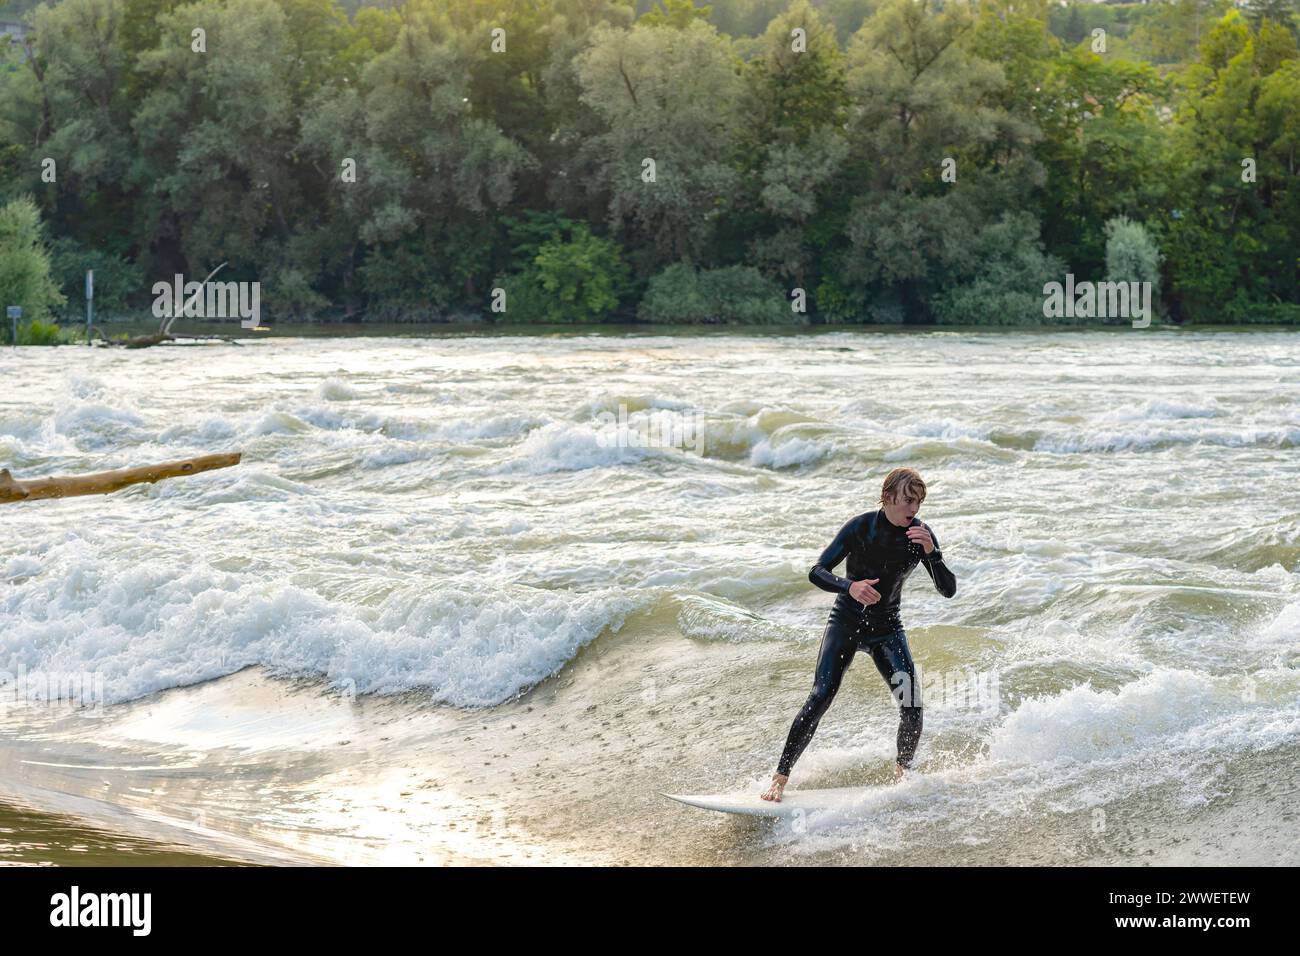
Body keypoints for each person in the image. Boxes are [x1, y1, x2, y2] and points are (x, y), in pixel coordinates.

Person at [762, 467, 957, 802]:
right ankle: (780, 778)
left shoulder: (921, 536)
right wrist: (849, 587)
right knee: (821, 695)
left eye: (919, 502)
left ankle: (903, 776)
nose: (914, 509)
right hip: (847, 623)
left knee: (911, 704)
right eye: (908, 501)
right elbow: (817, 571)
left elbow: (948, 590)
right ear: (887, 498)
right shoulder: (860, 527)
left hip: (887, 628)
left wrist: (932, 554)